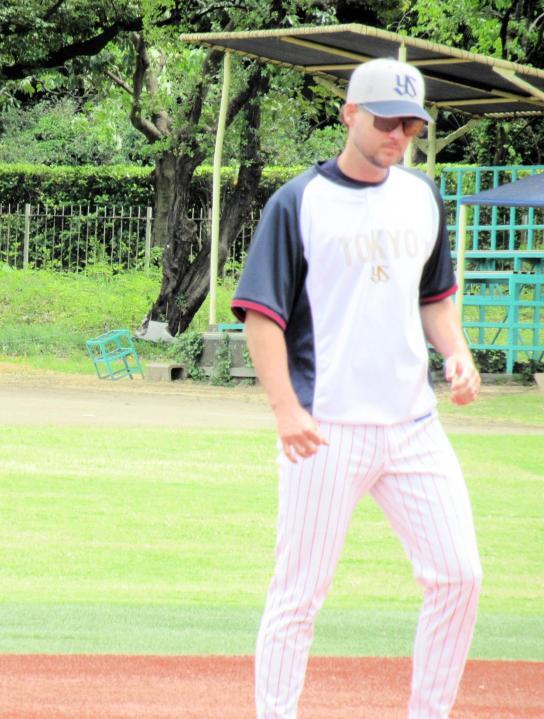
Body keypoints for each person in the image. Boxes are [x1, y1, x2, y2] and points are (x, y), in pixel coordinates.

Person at [231, 58, 483, 719]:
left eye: (411, 123)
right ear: (348, 114)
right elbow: (262, 316)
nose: (398, 133)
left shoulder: (420, 196)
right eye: (385, 120)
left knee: (460, 575)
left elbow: (435, 300)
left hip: (412, 426)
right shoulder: (298, 202)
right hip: (325, 426)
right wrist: (285, 410)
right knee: (299, 594)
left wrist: (456, 353)